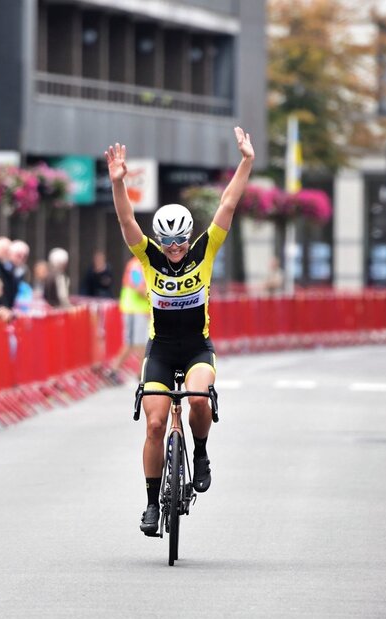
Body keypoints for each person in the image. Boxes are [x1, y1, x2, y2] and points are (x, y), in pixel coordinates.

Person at [106, 125, 255, 536]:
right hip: (161, 350)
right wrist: (118, 184)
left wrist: (246, 161)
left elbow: (228, 203)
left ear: (189, 239)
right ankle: (152, 504)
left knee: (198, 398)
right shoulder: (148, 255)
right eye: (167, 242)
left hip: (196, 348)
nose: (174, 249)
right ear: (158, 240)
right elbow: (124, 219)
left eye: (180, 242)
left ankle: (202, 452)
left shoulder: (205, 250)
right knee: (154, 425)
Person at [113, 256, 149, 373]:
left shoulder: (140, 264)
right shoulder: (135, 266)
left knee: (138, 343)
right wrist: (154, 299)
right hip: (134, 309)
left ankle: (139, 372)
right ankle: (116, 370)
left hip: (138, 309)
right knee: (136, 343)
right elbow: (138, 287)